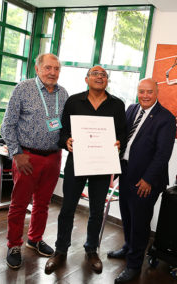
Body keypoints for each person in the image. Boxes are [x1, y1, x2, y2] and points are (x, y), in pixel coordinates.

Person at [44, 66, 127, 274]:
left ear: (107, 81)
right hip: (77, 161)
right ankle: (60, 249)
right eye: (95, 74)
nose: (100, 77)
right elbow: (62, 132)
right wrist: (67, 141)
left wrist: (118, 143)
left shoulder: (117, 105)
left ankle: (91, 249)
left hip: (101, 163)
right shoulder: (73, 101)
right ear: (86, 79)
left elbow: (123, 135)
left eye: (104, 75)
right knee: (67, 209)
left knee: (97, 211)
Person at [1, 53, 69, 269]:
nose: (52, 72)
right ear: (37, 69)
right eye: (48, 68)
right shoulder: (23, 89)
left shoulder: (64, 93)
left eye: (56, 68)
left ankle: (35, 238)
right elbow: (7, 125)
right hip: (27, 157)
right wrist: (16, 153)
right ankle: (14, 245)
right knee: (19, 204)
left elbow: (65, 126)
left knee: (42, 203)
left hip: (54, 156)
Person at [108, 78, 176, 283]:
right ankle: (128, 248)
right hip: (126, 172)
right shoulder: (131, 109)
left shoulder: (166, 118)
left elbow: (163, 154)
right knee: (127, 216)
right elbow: (124, 139)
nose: (145, 95)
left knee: (139, 222)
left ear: (157, 92)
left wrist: (148, 179)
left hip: (146, 179)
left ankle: (134, 265)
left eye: (149, 92)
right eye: (141, 91)